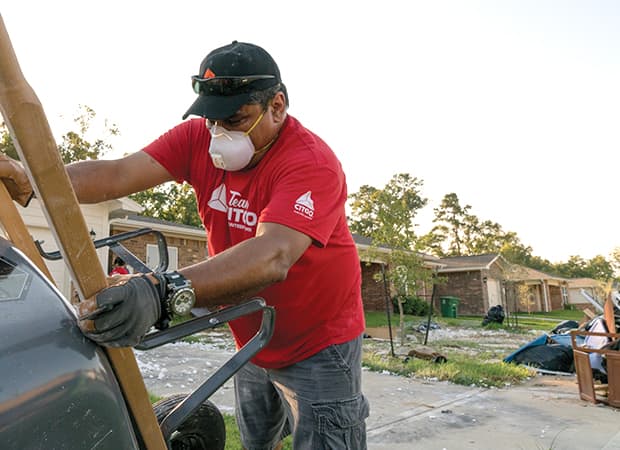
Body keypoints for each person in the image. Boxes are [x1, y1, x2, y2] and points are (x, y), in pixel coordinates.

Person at [0, 41, 368, 449]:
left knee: (327, 440)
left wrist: (162, 291)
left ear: (277, 106)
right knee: (257, 442)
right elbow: (118, 173)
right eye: (212, 120)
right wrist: (31, 181)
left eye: (235, 119)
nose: (219, 134)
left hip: (317, 341)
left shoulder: (310, 162)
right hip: (253, 331)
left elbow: (273, 255)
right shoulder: (197, 140)